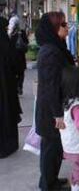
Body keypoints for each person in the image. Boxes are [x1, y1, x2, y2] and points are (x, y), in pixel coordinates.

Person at [35, 12, 75, 191]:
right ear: (54, 29)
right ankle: (48, 185)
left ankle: (51, 180)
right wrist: (57, 114)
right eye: (63, 24)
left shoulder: (55, 46)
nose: (67, 27)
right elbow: (51, 86)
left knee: (55, 148)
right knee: (51, 148)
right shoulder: (51, 52)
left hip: (54, 105)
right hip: (51, 110)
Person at [0, 17, 22, 158]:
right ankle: (7, 145)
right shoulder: (4, 41)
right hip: (5, 86)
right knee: (6, 112)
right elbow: (14, 62)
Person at [9, 20, 29, 95]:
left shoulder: (10, 33)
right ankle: (19, 87)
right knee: (21, 73)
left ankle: (15, 87)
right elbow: (26, 42)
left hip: (13, 57)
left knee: (14, 73)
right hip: (20, 56)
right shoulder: (22, 32)